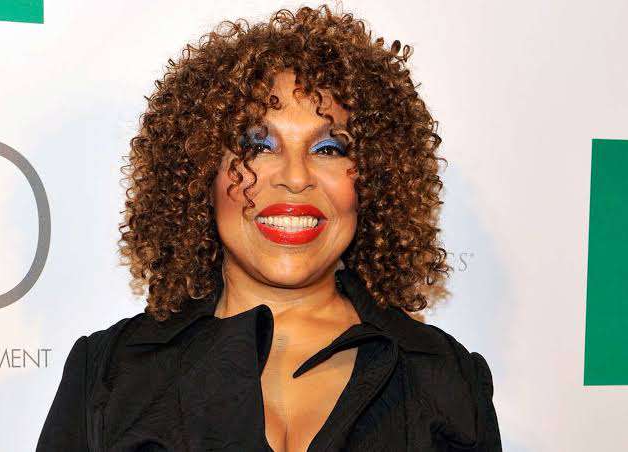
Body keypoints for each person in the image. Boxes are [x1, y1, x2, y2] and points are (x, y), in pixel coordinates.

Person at [37, 4, 502, 451]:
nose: (295, 178)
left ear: (374, 179)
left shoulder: (449, 381)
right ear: (201, 172)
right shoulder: (110, 375)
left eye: (328, 149)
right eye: (258, 145)